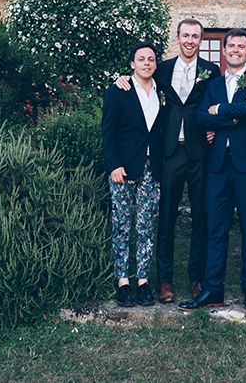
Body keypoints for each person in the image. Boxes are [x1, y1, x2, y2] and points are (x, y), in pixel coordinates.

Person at [115, 19, 218, 303]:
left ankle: (197, 279)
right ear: (178, 38)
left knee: (200, 217)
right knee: (167, 218)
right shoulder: (163, 69)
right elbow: (140, 79)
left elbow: (219, 101)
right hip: (169, 151)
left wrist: (216, 127)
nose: (190, 40)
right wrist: (120, 78)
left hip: (199, 152)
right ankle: (165, 281)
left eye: (195, 36)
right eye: (185, 35)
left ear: (200, 40)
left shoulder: (211, 71)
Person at [180, 28, 246, 312]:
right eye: (230, 46)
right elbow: (200, 117)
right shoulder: (213, 84)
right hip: (218, 165)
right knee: (215, 229)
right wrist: (234, 115)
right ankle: (212, 289)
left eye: (241, 47)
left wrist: (221, 111)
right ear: (224, 50)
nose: (235, 50)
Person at [102, 41, 164, 307]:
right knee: (122, 224)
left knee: (146, 225)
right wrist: (114, 164)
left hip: (153, 167)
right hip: (124, 168)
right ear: (132, 64)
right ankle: (123, 282)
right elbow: (108, 131)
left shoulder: (162, 90)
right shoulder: (119, 91)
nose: (147, 63)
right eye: (141, 59)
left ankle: (142, 281)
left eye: (151, 59)